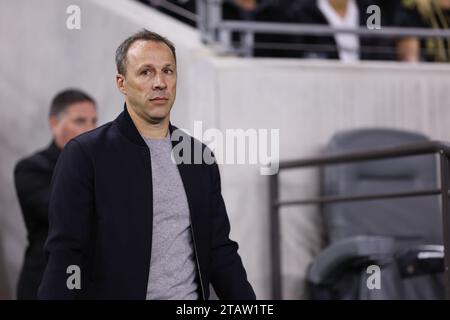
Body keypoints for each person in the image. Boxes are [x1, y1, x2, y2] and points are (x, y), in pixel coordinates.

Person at [38, 30, 256, 300]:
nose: (160, 83)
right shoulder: (85, 154)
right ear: (122, 83)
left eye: (168, 71)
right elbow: (65, 254)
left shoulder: (198, 156)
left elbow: (220, 249)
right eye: (146, 72)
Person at [14, 89, 97, 300]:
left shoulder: (102, 167)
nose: (90, 129)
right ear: (54, 123)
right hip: (45, 282)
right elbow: (64, 212)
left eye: (93, 121)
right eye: (80, 121)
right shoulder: (30, 168)